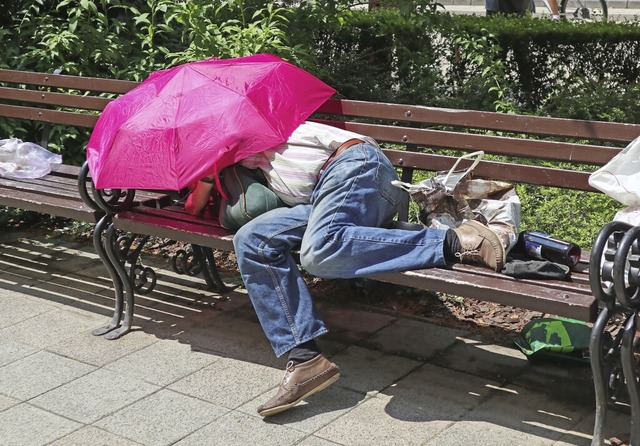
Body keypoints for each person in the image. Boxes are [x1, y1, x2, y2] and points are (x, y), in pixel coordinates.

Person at [186, 121, 506, 417]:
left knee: (318, 252)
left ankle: (457, 242)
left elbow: (198, 203)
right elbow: (232, 206)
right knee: (253, 240)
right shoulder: (244, 147)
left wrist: (207, 171)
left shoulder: (245, 128)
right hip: (325, 199)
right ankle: (305, 359)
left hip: (356, 167)